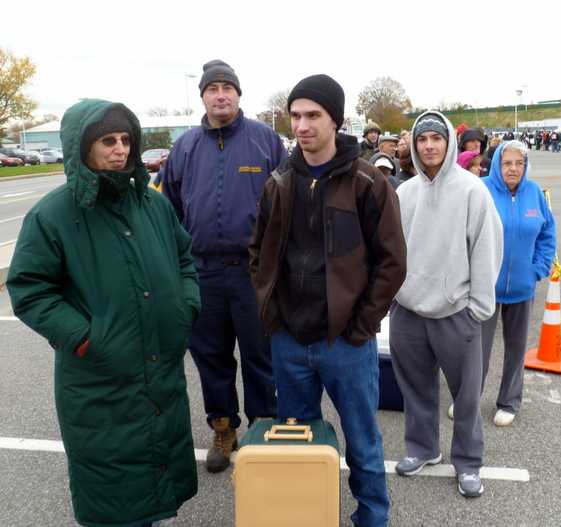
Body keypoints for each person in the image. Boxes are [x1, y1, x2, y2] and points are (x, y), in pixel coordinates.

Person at [7, 99, 199, 527]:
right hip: (100, 383)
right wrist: (85, 337)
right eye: (107, 141)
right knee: (115, 503)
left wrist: (185, 306)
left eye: (125, 140)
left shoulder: (152, 205)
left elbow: (185, 258)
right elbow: (30, 289)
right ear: (82, 148)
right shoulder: (54, 215)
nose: (120, 150)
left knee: (152, 488)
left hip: (159, 376)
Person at [249, 74, 407, 527]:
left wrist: (361, 325)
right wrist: (272, 309)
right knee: (296, 443)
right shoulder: (279, 181)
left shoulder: (367, 182)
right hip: (291, 341)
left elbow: (392, 262)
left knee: (362, 439)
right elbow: (256, 252)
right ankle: (303, 515)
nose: (302, 125)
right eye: (295, 115)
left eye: (313, 115)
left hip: (347, 342)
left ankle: (372, 516)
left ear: (335, 120)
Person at [162, 59, 285, 472]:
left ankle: (263, 426)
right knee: (211, 356)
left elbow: (286, 207)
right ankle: (223, 427)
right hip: (202, 273)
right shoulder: (184, 148)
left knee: (259, 354)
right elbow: (169, 210)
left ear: (238, 95)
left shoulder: (265, 141)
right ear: (202, 97)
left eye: (227, 88)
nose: (220, 95)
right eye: (212, 89)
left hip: (253, 272)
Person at [390, 111, 503, 498]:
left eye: (436, 138)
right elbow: (391, 251)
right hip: (409, 312)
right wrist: (394, 300)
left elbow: (487, 249)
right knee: (416, 389)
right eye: (422, 139)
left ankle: (469, 463)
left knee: (466, 395)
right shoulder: (404, 193)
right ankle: (423, 449)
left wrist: (478, 308)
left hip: (457, 313)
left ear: (448, 143)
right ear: (415, 146)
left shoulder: (473, 191)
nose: (429, 146)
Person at [480, 140, 556, 427]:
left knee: (516, 350)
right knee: (476, 351)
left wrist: (538, 269)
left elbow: (548, 234)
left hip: (522, 289)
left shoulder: (534, 193)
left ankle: (509, 401)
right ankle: (467, 398)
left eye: (519, 163)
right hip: (485, 288)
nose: (513, 169)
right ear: (498, 165)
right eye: (507, 163)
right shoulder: (482, 190)